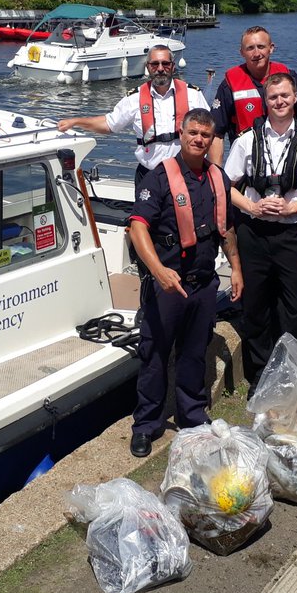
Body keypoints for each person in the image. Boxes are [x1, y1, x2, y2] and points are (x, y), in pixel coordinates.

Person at [128, 109, 244, 457]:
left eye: (205, 135)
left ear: (211, 140)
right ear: (182, 133)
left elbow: (228, 228)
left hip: (204, 284)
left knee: (195, 355)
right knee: (154, 355)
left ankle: (193, 418)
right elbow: (137, 228)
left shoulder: (217, 178)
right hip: (168, 286)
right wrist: (158, 271)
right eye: (193, 133)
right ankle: (146, 425)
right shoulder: (159, 178)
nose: (198, 139)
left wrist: (236, 268)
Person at [224, 72, 297, 392]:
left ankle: (291, 372)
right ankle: (260, 375)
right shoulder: (246, 140)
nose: (279, 102)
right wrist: (252, 208)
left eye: (284, 96)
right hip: (252, 232)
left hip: (289, 234)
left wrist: (292, 208)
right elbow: (226, 186)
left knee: (294, 308)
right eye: (273, 97)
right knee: (255, 305)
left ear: (295, 98)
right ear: (264, 101)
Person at [57, 45, 209, 186]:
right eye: (155, 64)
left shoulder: (193, 95)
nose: (160, 69)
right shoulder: (134, 98)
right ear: (148, 67)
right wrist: (76, 121)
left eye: (165, 64)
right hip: (150, 175)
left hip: (186, 174)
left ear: (173, 66)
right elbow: (110, 124)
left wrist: (214, 170)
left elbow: (212, 132)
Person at [210, 26, 297, 164]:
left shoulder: (289, 77)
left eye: (261, 46)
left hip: (288, 160)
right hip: (246, 162)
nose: (256, 53)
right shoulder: (229, 84)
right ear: (242, 52)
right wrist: (216, 174)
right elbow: (216, 134)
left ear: (271, 48)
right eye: (250, 48)